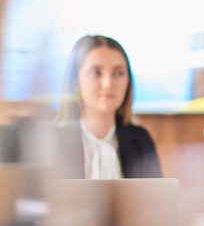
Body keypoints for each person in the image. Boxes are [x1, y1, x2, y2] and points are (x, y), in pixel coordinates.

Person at [54, 35, 161, 179]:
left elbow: (157, 198)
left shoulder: (140, 140)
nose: (108, 84)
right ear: (76, 81)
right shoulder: (52, 141)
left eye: (118, 73)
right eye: (96, 72)